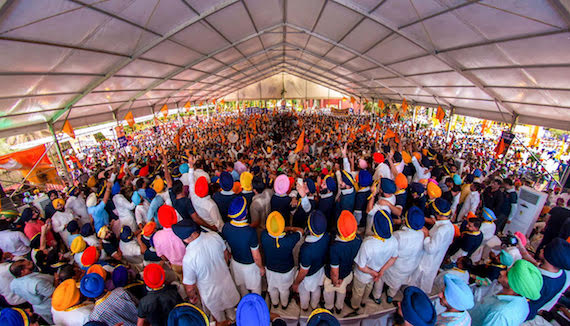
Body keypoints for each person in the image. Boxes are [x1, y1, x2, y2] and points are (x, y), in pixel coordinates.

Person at [176, 218, 240, 322]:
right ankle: (234, 321)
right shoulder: (214, 236)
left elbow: (189, 287)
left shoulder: (189, 258)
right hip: (226, 283)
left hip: (211, 293)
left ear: (186, 238)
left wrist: (192, 297)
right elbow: (226, 255)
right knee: (232, 311)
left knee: (220, 320)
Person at [469, 259, 544, 326]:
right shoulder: (523, 303)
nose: (501, 272)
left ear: (515, 286)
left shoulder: (500, 314)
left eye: (507, 274)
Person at [351, 209, 398, 308]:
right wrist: (380, 272)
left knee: (358, 290)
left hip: (363, 275)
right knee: (369, 287)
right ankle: (364, 301)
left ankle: (355, 305)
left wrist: (374, 273)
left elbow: (361, 266)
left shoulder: (368, 244)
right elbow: (394, 258)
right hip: (376, 273)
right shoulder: (393, 240)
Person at [410, 198, 455, 294]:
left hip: (428, 262)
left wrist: (426, 234)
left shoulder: (441, 230)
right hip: (435, 259)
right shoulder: (449, 226)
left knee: (419, 283)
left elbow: (431, 249)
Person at [222, 196, 265, 296]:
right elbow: (256, 256)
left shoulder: (226, 227)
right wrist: (261, 267)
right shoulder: (250, 232)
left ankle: (245, 302)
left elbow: (226, 248)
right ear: (245, 213)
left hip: (235, 263)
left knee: (242, 287)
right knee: (255, 288)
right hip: (250, 266)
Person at [520, 237, 570, 321]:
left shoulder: (540, 281)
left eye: (546, 248)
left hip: (519, 314)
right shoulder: (561, 275)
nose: (542, 248)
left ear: (550, 256)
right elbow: (538, 266)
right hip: (529, 313)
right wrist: (522, 249)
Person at [383, 206, 426, 303]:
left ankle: (377, 294)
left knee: (382, 277)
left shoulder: (399, 235)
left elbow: (389, 248)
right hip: (410, 266)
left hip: (396, 265)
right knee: (396, 284)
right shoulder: (421, 234)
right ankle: (391, 295)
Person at [261, 211, 303, 310]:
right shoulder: (289, 240)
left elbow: (266, 231)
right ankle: (284, 305)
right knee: (284, 289)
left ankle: (275, 304)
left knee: (272, 288)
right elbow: (301, 231)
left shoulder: (264, 236)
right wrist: (288, 228)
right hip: (286, 270)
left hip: (270, 268)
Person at [323, 210, 362, 314]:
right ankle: (339, 307)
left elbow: (334, 271)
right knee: (342, 291)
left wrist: (335, 281)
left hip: (333, 276)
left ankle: (329, 307)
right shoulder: (358, 240)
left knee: (329, 291)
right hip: (347, 272)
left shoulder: (335, 247)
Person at [292, 210, 330, 312]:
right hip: (319, 269)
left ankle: (304, 307)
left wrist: (296, 283)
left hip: (307, 277)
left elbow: (303, 271)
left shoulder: (306, 249)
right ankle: (314, 305)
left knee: (304, 292)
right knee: (316, 289)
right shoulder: (326, 236)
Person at [9, 259, 55, 324]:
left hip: (39, 309)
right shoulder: (36, 283)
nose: (31, 262)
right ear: (23, 271)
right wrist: (56, 279)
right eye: (28, 264)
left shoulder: (13, 284)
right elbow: (53, 294)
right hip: (50, 306)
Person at [153, 205, 186, 281]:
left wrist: (168, 262)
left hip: (175, 265)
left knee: (183, 281)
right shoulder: (182, 230)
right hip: (189, 262)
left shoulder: (157, 237)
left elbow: (162, 256)